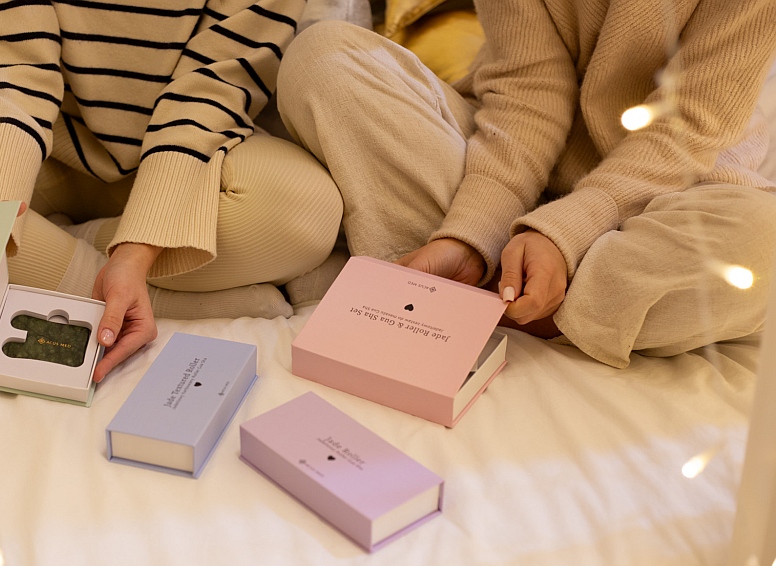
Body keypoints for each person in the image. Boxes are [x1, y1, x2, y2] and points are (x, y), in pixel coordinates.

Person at [0, 0, 343, 382]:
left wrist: (137, 250)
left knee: (304, 211)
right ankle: (157, 297)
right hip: (32, 147)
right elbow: (11, 68)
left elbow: (212, 93)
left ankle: (84, 263)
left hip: (190, 155)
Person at [277, 0, 776, 367]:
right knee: (325, 53)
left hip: (672, 180)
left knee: (761, 242)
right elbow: (528, 92)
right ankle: (487, 281)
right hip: (504, 159)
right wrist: (471, 234)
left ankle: (494, 301)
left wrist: (562, 234)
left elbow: (689, 125)